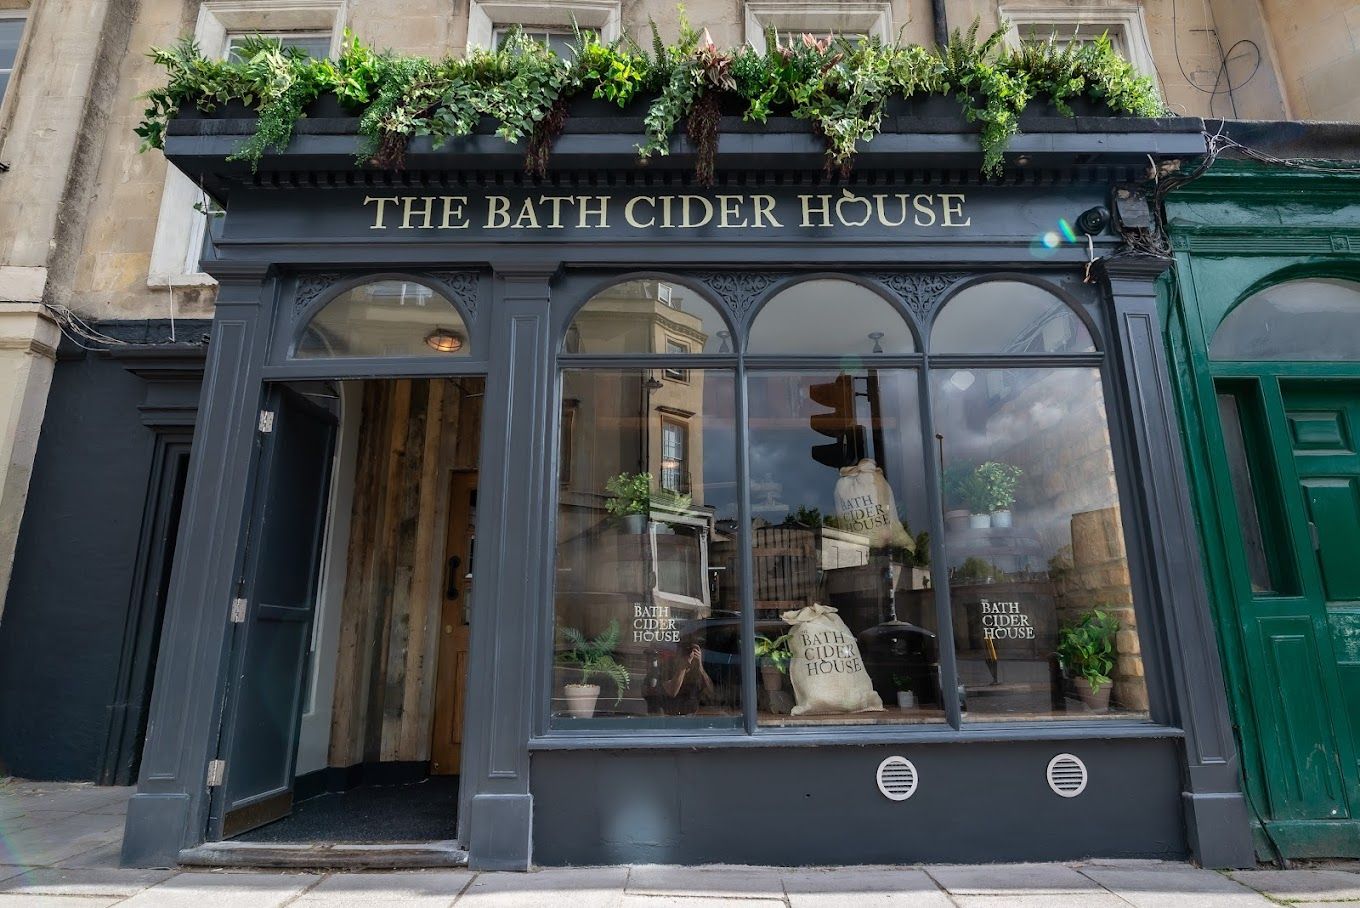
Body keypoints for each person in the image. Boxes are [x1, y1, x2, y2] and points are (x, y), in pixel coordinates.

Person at [664, 642, 714, 715]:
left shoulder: (698, 672)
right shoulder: (669, 668)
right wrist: (683, 667)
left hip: (693, 717)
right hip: (673, 716)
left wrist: (700, 667)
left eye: (692, 651)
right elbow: (672, 692)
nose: (688, 654)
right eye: (685, 652)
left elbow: (710, 693)